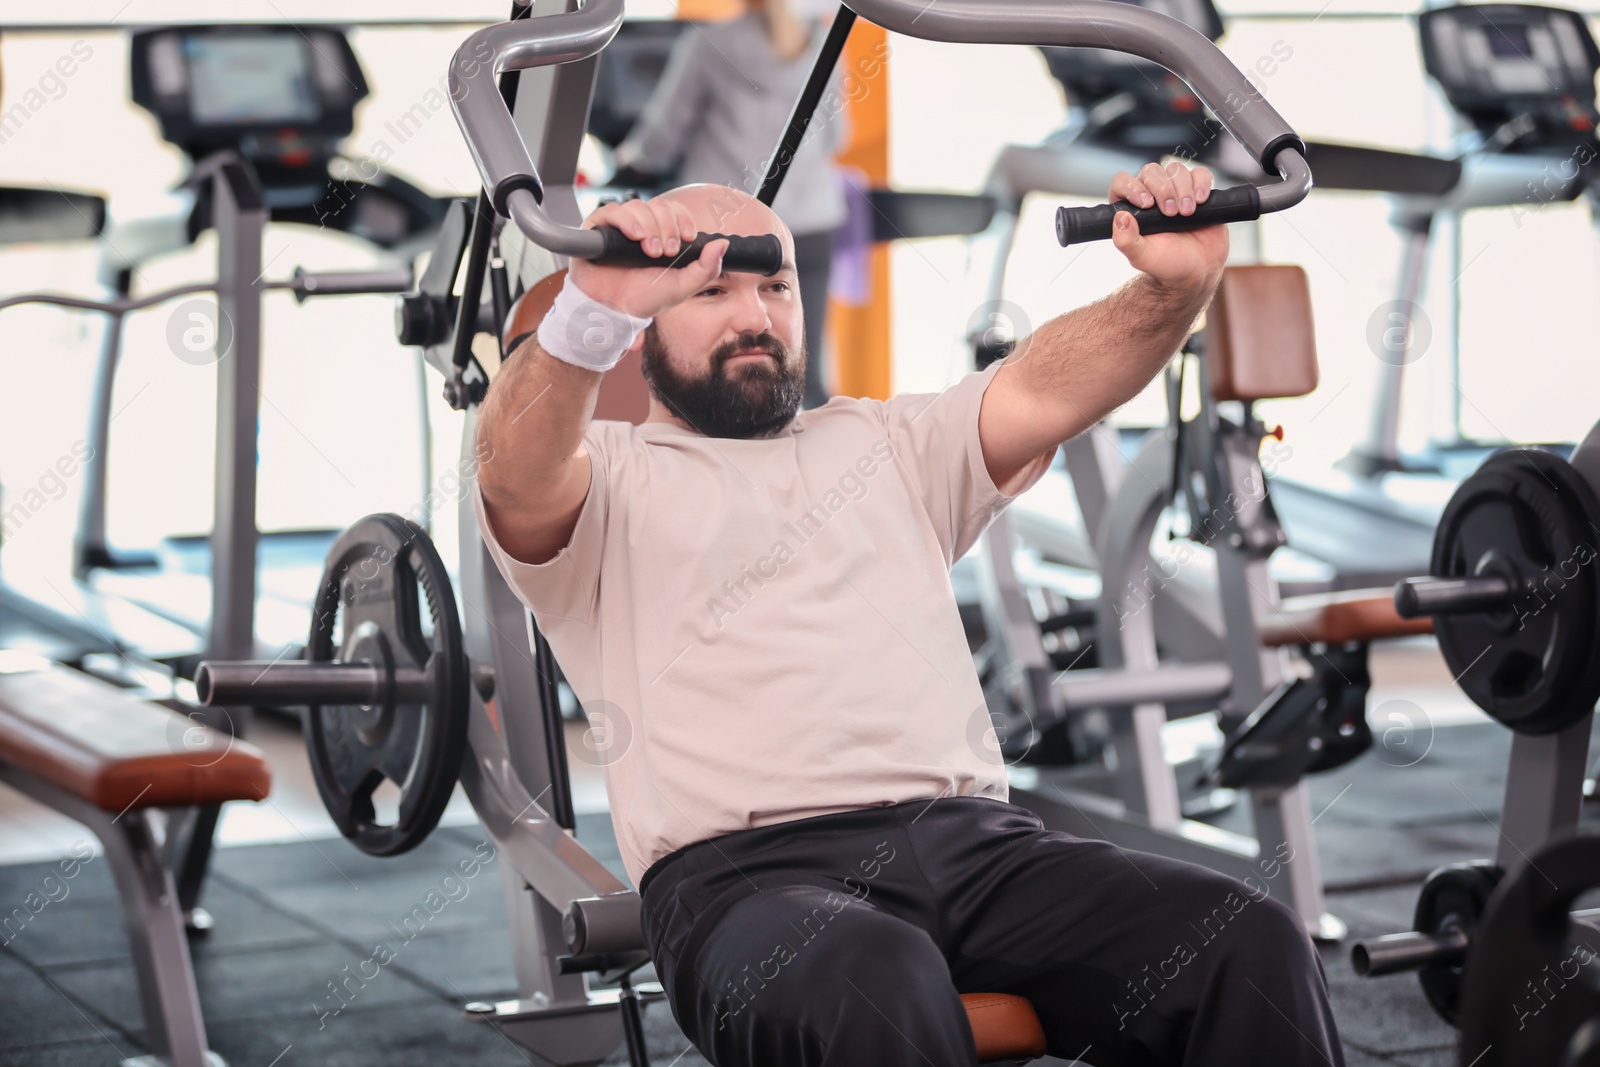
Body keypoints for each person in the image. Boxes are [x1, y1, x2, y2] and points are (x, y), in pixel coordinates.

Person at [473, 165, 1344, 1066]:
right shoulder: (605, 478)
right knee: (877, 976)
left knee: (1248, 939)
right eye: (709, 290)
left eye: (776, 286)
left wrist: (1179, 284)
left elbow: (1048, 386)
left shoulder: (880, 442)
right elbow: (512, 470)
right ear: (642, 324)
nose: (755, 317)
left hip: (978, 848)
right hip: (748, 885)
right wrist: (591, 310)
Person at [611, 0, 846, 409]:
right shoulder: (823, 41)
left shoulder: (707, 44)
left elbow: (660, 141)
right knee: (802, 372)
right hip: (810, 225)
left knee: (721, 372)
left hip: (728, 232)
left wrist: (625, 162)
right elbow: (836, 137)